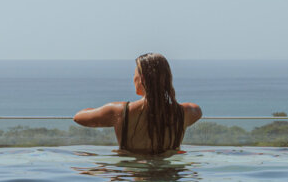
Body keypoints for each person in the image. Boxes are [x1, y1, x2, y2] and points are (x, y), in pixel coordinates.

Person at [73, 52, 203, 154]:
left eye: (134, 74)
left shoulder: (118, 111)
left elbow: (78, 117)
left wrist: (101, 110)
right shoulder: (187, 112)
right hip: (171, 175)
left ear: (142, 79)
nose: (133, 78)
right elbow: (197, 111)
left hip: (132, 175)